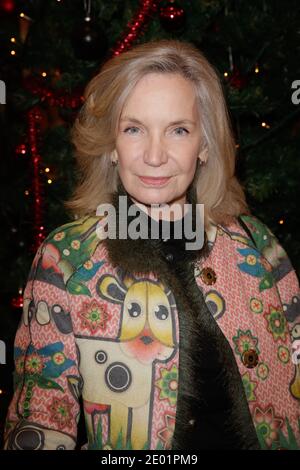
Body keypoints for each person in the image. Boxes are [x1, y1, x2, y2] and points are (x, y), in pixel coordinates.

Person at [4, 39, 300, 450]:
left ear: (205, 145)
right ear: (111, 147)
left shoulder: (258, 245)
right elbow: (39, 415)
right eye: (134, 129)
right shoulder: (66, 260)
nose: (155, 155)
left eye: (178, 130)